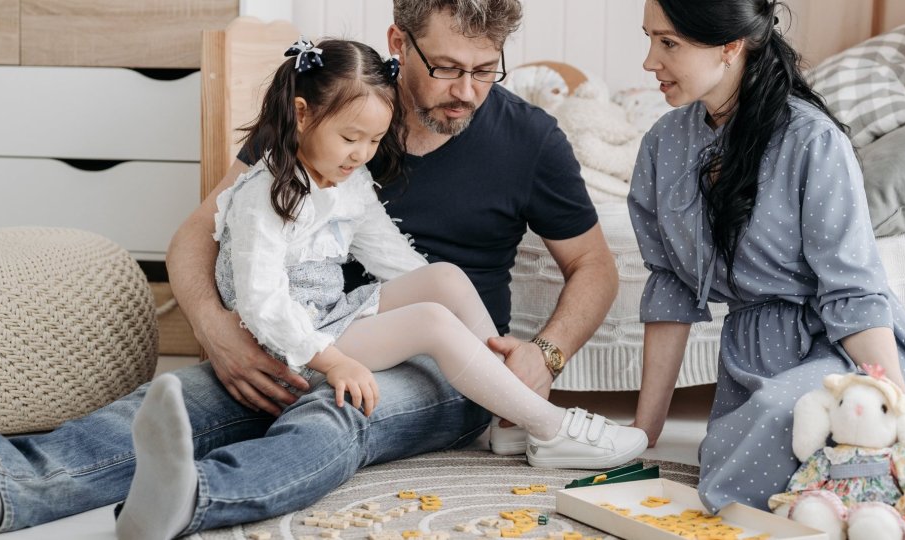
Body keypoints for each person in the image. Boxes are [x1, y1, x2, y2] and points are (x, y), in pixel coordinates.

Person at [0, 1, 628, 538]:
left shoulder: (529, 138)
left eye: (487, 71)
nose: (467, 91)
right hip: (301, 330)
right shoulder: (327, 111)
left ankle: (195, 497)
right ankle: (2, 483)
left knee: (337, 411)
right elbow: (201, 231)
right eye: (448, 68)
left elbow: (592, 264)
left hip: (450, 365)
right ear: (399, 42)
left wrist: (543, 352)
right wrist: (216, 328)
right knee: (178, 395)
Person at [628, 0, 905, 517]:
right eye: (649, 39)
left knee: (781, 437)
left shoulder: (811, 139)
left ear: (730, 45)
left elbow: (853, 292)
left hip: (838, 350)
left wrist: (894, 401)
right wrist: (643, 432)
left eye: (668, 42)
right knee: (737, 457)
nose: (650, 61)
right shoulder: (663, 144)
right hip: (751, 356)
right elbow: (671, 285)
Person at [209, 36, 643, 470]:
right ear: (302, 115)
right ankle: (550, 427)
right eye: (350, 138)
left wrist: (442, 301)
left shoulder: (349, 179)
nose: (361, 154)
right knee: (430, 322)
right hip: (289, 343)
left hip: (328, 316)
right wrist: (335, 361)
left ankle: (511, 414)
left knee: (445, 279)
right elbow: (262, 302)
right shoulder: (262, 195)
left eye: (375, 141)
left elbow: (393, 258)